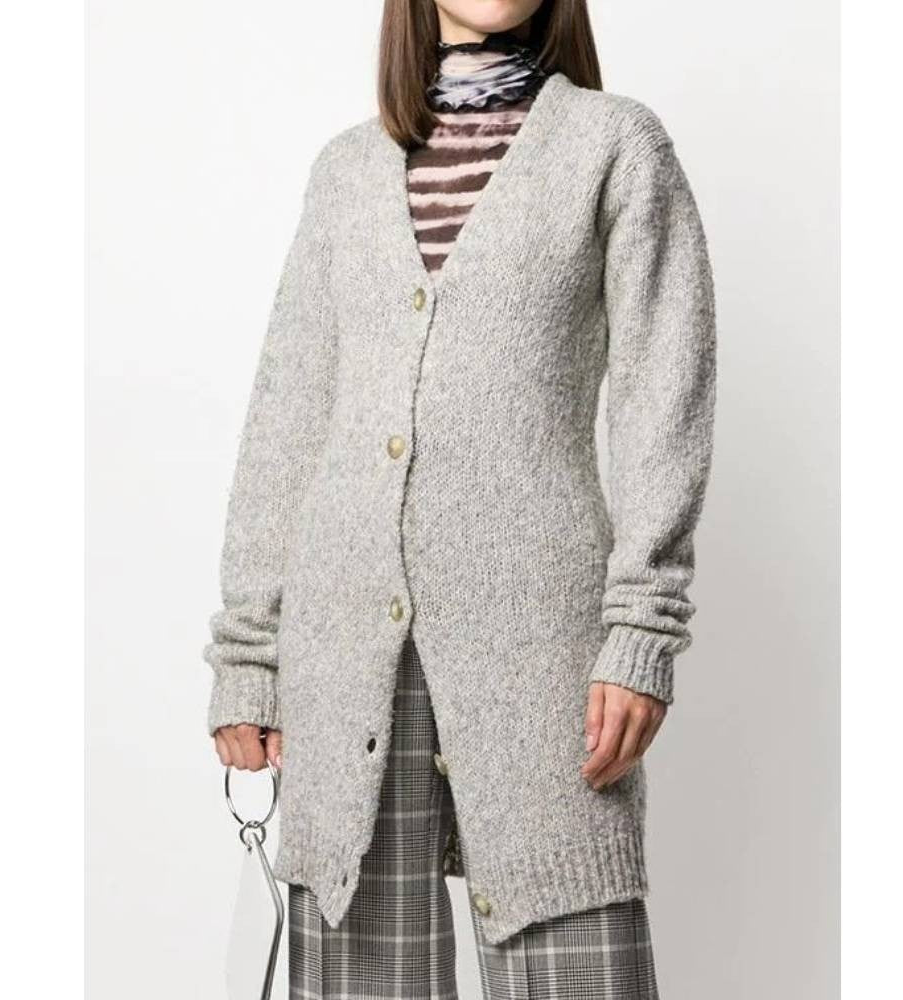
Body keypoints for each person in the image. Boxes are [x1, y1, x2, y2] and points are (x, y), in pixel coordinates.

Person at [204, 1, 717, 997]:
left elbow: (666, 394)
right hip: (343, 655)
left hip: (541, 654)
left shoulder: (613, 147)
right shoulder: (345, 173)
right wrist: (249, 656)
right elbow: (288, 421)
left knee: (574, 960)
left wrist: (640, 632)